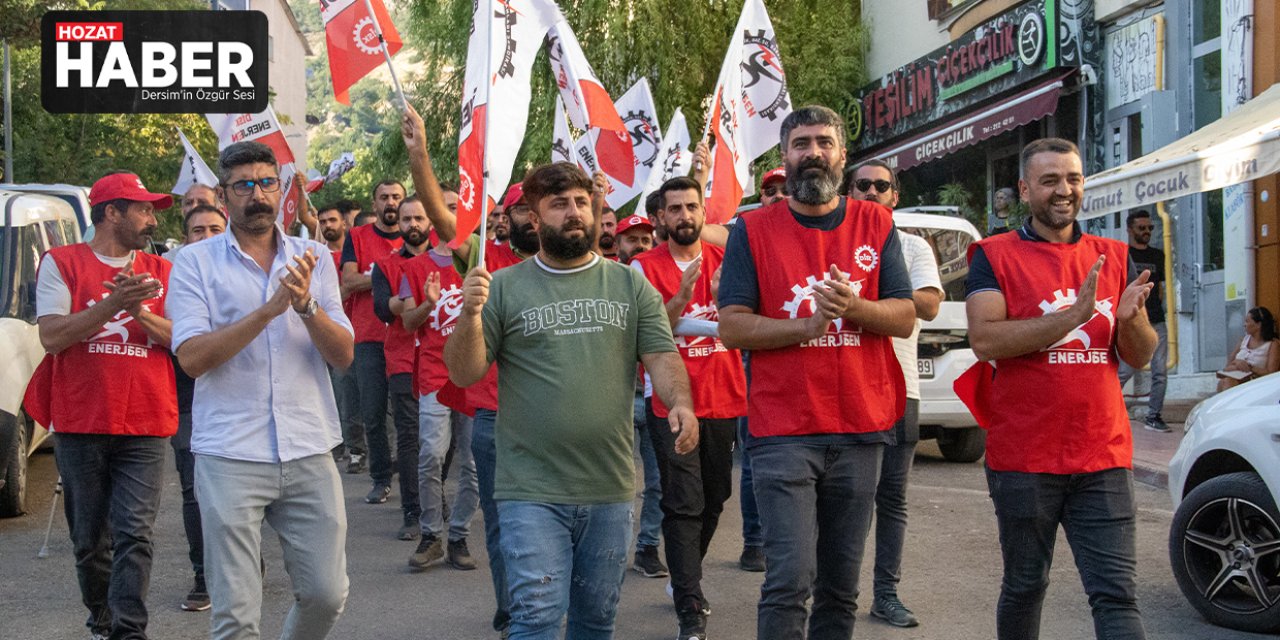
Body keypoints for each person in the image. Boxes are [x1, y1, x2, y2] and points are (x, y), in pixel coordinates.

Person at [444, 161, 698, 640]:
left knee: (596, 621)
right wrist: (471, 315)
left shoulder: (629, 284)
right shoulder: (505, 287)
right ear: (535, 219)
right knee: (536, 618)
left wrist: (679, 402)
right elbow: (464, 371)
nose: (574, 212)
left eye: (581, 202)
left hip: (608, 486)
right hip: (530, 488)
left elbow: (662, 356)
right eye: (559, 204)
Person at [718, 105, 916, 639]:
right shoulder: (752, 229)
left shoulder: (877, 222)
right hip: (783, 428)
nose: (813, 153)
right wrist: (806, 326)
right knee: (789, 578)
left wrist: (853, 308)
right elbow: (732, 327)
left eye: (823, 142)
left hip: (861, 426)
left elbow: (903, 316)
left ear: (842, 155)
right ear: (784, 156)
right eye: (801, 143)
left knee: (840, 586)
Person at [964, 137, 1156, 640]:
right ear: (1026, 190)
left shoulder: (1113, 256)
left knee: (1117, 595)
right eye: (1050, 180)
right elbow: (986, 340)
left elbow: (1141, 354)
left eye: (1072, 179)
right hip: (1024, 457)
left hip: (1103, 455)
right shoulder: (992, 255)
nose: (1063, 190)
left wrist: (1131, 320)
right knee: (1026, 585)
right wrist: (1075, 315)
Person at [168, 141, 354, 640]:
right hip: (230, 452)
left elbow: (343, 355)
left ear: (282, 188)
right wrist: (269, 310)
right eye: (244, 185)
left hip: (308, 446)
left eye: (267, 182)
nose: (258, 194)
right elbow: (191, 359)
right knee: (236, 614)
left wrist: (306, 307)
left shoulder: (314, 257)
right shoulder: (194, 264)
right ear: (223, 196)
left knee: (326, 593)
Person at [403, 103, 534, 636]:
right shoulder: (485, 258)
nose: (529, 217)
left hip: (562, 422)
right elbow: (441, 218)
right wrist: (420, 155)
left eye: (541, 208)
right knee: (504, 527)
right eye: (522, 210)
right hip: (495, 416)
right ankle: (514, 608)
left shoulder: (591, 267)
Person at [35, 172, 177, 640]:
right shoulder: (61, 262)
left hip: (147, 421)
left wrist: (140, 314)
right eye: (142, 208)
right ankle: (102, 620)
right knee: (89, 543)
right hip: (81, 420)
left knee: (135, 534)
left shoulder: (163, 272)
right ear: (110, 213)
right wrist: (112, 303)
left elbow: (184, 339)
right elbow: (53, 336)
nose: (151, 218)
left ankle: (128, 632)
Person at [633, 176, 748, 639]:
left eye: (691, 207)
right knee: (684, 503)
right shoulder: (641, 268)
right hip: (669, 403)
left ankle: (687, 576)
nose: (684, 216)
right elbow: (645, 332)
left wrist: (724, 299)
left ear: (704, 213)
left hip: (724, 397)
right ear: (661, 218)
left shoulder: (730, 261)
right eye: (674, 209)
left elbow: (746, 323)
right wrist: (680, 298)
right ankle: (690, 608)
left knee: (716, 496)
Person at [847, 159, 942, 628]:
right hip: (846, 388)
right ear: (849, 192)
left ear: (894, 196)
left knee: (892, 498)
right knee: (845, 498)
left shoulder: (911, 245)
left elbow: (927, 302)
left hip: (900, 387)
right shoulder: (834, 241)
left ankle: (886, 593)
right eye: (861, 185)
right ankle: (836, 591)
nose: (871, 192)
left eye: (880, 186)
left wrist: (870, 296)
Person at [394, 186, 481, 571]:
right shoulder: (413, 268)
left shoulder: (482, 260)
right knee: (431, 455)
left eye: (453, 208)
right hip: (434, 374)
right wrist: (429, 302)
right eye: (441, 208)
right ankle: (431, 535)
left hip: (475, 374)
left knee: (475, 465)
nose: (447, 214)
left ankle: (459, 534)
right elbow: (408, 322)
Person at [170, 204, 228, 613]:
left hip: (242, 401)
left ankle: (243, 557)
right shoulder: (175, 276)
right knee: (194, 489)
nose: (206, 237)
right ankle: (203, 574)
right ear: (184, 238)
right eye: (197, 231)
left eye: (214, 229)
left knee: (238, 491)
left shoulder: (246, 271)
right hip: (187, 397)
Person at [371, 197, 436, 539]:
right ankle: (413, 511)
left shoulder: (446, 260)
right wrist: (404, 303)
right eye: (407, 218)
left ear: (429, 222)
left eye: (419, 218)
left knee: (441, 440)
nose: (412, 223)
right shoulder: (385, 265)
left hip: (441, 360)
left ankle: (433, 499)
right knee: (410, 437)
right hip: (402, 360)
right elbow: (383, 309)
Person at [343, 179, 406, 504]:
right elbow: (349, 280)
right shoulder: (357, 237)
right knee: (373, 412)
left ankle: (411, 477)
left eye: (396, 197)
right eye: (384, 197)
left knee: (410, 414)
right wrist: (386, 277)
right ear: (375, 202)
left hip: (408, 336)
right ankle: (381, 478)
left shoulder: (414, 234)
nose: (390, 202)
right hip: (368, 337)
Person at [613, 213, 667, 580]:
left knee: (660, 481)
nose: (640, 245)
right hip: (615, 399)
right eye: (631, 239)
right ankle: (611, 550)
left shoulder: (659, 280)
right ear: (617, 245)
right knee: (616, 482)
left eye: (646, 238)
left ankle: (648, 547)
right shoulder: (606, 281)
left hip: (654, 394)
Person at [317, 204, 367, 472]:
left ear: (344, 224)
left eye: (332, 219)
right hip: (321, 333)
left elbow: (347, 287)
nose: (328, 225)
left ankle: (357, 448)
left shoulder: (350, 253)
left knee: (350, 395)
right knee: (334, 395)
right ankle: (338, 445)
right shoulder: (316, 255)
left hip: (351, 334)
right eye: (322, 221)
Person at [1117, 210, 1171, 431]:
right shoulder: (1123, 254)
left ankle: (1154, 415)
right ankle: (1111, 411)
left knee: (1160, 371)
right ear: (1130, 230)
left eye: (1150, 228)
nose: (1147, 232)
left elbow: (1159, 288)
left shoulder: (1158, 255)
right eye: (1142, 228)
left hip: (1156, 319)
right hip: (1131, 321)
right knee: (1123, 372)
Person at [1216, 306, 1280, 391]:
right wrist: (1237, 362)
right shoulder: (1243, 340)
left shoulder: (1272, 344)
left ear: (1258, 325)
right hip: (1236, 378)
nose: (1244, 324)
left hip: (1256, 383)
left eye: (1247, 321)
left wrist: (1250, 368)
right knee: (1225, 382)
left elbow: (1272, 374)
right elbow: (1227, 366)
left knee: (1228, 383)